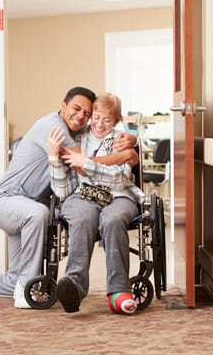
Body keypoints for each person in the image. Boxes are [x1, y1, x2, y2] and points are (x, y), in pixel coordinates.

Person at [0, 87, 137, 309]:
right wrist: (127, 155)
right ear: (62, 106)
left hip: (26, 205)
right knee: (40, 214)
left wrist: (131, 139)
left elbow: (100, 136)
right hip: (10, 202)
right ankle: (25, 292)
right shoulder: (55, 128)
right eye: (77, 109)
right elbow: (84, 166)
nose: (82, 116)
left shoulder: (76, 131)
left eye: (86, 113)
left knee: (16, 278)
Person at [47, 92, 144, 315]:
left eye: (107, 120)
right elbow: (62, 190)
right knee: (82, 218)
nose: (100, 124)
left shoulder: (120, 140)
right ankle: (74, 286)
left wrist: (86, 163)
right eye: (96, 117)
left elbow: (119, 178)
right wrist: (54, 159)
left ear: (116, 120)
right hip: (83, 196)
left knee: (113, 219)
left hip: (119, 196)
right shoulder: (75, 138)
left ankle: (119, 292)